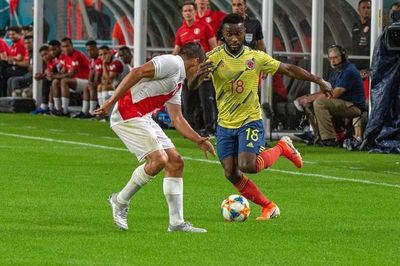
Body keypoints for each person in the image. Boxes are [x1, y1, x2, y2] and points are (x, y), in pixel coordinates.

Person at [192, 14, 332, 220]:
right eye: (229, 34)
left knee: (248, 165)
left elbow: (288, 69)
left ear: (244, 34)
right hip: (224, 124)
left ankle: (282, 147)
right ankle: (268, 206)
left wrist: (319, 80)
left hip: (249, 119)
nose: (233, 39)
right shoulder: (212, 57)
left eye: (238, 34)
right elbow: (191, 86)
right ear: (222, 34)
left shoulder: (255, 57)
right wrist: (196, 75)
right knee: (230, 172)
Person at [94, 42, 215, 233]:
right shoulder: (172, 63)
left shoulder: (178, 81)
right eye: (202, 67)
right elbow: (136, 72)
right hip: (127, 113)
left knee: (175, 162)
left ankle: (176, 223)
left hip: (143, 116)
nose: (202, 73)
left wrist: (199, 139)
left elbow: (177, 118)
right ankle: (120, 201)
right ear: (196, 61)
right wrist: (111, 101)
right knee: (159, 160)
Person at [294, 45, 365, 146]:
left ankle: (329, 139)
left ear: (343, 57)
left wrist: (310, 98)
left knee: (320, 102)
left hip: (354, 106)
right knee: (309, 103)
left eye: (335, 58)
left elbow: (334, 94)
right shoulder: (338, 72)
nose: (333, 61)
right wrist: (307, 98)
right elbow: (328, 90)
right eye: (330, 58)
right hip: (342, 104)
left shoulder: (349, 71)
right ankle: (318, 136)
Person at [174, 1, 218, 136]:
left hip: (203, 72)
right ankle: (191, 130)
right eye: (185, 11)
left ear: (195, 12)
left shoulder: (205, 26)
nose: (188, 13)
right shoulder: (181, 31)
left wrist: (211, 68)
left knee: (206, 102)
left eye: (190, 10)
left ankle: (210, 130)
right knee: (188, 103)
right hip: (188, 74)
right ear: (182, 14)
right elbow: (176, 51)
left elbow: (214, 48)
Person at [50, 37, 90, 116]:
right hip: (76, 82)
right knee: (55, 82)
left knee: (64, 81)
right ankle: (58, 108)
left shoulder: (76, 55)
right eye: (63, 47)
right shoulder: (66, 57)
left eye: (67, 46)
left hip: (85, 81)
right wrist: (52, 76)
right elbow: (62, 72)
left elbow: (71, 74)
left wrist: (56, 76)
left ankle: (65, 110)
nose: (66, 48)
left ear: (72, 46)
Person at [73, 40, 102, 119]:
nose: (90, 52)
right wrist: (89, 83)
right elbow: (91, 75)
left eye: (91, 50)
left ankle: (92, 112)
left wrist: (92, 83)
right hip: (99, 82)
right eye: (88, 50)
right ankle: (84, 111)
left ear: (96, 49)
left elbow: (98, 77)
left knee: (91, 86)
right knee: (87, 86)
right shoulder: (92, 61)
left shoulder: (99, 59)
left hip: (104, 82)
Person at [352, 0, 371, 73]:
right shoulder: (355, 25)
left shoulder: (373, 26)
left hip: (368, 64)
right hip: (356, 63)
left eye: (368, 7)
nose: (366, 10)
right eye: (363, 8)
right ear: (359, 9)